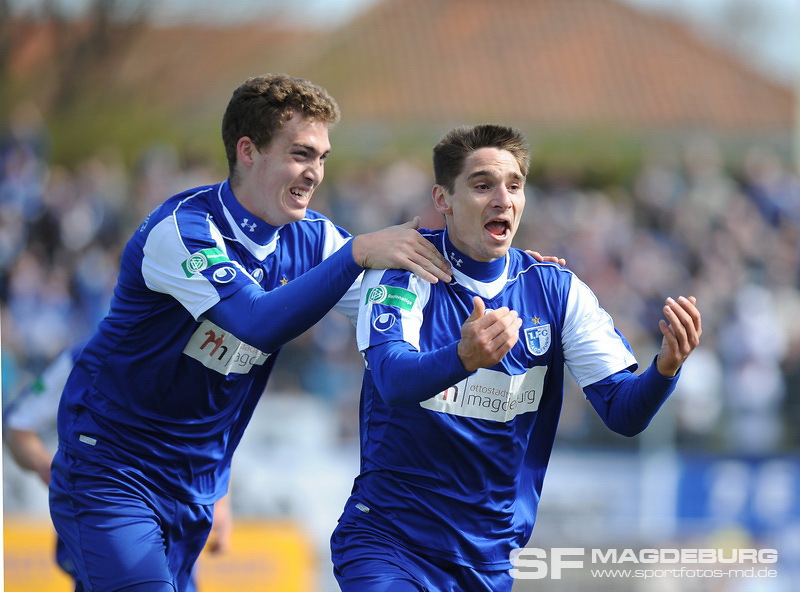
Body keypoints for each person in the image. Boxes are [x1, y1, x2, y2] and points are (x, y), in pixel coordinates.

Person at [48, 73, 455, 592]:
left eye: (322, 157)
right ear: (248, 151)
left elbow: (417, 303)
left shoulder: (315, 240)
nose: (315, 173)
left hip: (195, 485)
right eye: (301, 154)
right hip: (112, 469)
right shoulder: (183, 231)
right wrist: (356, 253)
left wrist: (509, 276)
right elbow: (253, 322)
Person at [331, 124, 702, 592]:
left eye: (514, 185)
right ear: (443, 199)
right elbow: (392, 378)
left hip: (490, 561)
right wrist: (462, 357)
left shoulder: (557, 291)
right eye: (482, 185)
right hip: (389, 544)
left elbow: (623, 412)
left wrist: (665, 369)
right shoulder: (404, 271)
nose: (502, 199)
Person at [4, 340, 232, 592]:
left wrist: (220, 501)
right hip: (109, 516)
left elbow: (211, 438)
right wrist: (54, 468)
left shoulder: (193, 353)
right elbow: (18, 426)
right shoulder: (87, 355)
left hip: (176, 522)